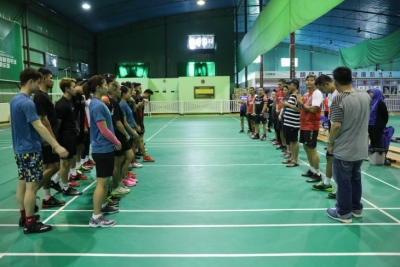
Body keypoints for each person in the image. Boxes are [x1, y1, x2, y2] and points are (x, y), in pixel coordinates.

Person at [11, 68, 68, 234]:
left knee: (22, 183)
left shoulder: (15, 100)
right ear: (30, 82)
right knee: (31, 187)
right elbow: (38, 125)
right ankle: (30, 223)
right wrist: (56, 145)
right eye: (37, 82)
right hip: (30, 149)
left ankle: (24, 216)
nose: (38, 85)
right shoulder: (27, 103)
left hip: (19, 149)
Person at [326, 67, 371, 223]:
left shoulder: (338, 99)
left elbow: (336, 125)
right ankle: (356, 208)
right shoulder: (365, 96)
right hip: (361, 147)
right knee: (355, 178)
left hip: (345, 149)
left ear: (336, 81)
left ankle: (344, 213)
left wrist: (330, 144)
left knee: (344, 182)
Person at [85, 75, 121, 227]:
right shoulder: (98, 105)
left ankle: (102, 206)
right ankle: (96, 217)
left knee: (105, 181)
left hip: (104, 148)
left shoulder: (97, 103)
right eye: (105, 84)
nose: (108, 86)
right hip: (103, 149)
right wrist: (117, 142)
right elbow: (103, 130)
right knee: (102, 182)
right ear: (98, 87)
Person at [33, 68, 66, 207]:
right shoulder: (40, 96)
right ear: (44, 79)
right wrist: (53, 141)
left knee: (47, 167)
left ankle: (47, 198)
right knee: (55, 166)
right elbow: (43, 120)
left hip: (49, 137)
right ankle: (32, 191)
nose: (53, 80)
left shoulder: (45, 96)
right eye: (51, 78)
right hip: (46, 138)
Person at [313, 75, 338, 197]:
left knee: (340, 164)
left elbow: (339, 123)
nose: (322, 92)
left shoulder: (339, 95)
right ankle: (327, 183)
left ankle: (341, 191)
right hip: (333, 129)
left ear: (327, 84)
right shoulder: (330, 95)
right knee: (329, 158)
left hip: (340, 134)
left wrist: (331, 142)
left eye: (321, 89)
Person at [297, 75, 323, 183]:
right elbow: (300, 108)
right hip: (303, 125)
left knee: (312, 149)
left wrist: (302, 103)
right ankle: (312, 170)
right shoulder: (307, 94)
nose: (308, 82)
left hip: (311, 125)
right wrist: (299, 102)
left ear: (315, 82)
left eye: (311, 80)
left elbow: (313, 109)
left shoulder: (317, 93)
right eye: (307, 80)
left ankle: (317, 173)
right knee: (306, 147)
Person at [281, 79, 301, 167]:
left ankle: (295, 160)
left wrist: (287, 104)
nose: (288, 86)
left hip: (293, 123)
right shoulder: (291, 95)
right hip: (288, 122)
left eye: (290, 84)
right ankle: (292, 158)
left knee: (294, 141)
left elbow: (298, 108)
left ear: (295, 86)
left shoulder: (297, 95)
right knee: (291, 141)